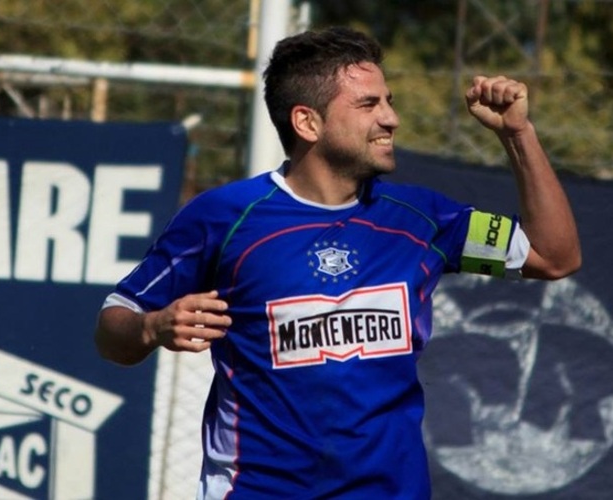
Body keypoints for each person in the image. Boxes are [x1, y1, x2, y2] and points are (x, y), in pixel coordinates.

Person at [95, 26, 581, 499]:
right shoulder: (222, 217)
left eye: (389, 101)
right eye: (369, 104)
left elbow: (553, 257)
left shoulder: (424, 219)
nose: (390, 119)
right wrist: (151, 328)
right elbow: (112, 327)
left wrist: (518, 134)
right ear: (307, 122)